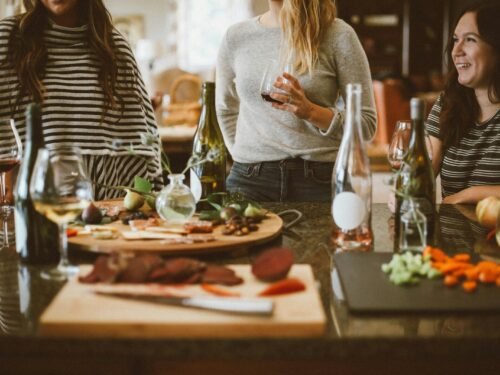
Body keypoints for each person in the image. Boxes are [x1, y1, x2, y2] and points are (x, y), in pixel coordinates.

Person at [216, 0, 376, 202]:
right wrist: (243, 155)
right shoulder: (235, 37)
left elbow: (367, 124)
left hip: (319, 180)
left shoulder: (338, 34)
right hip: (249, 180)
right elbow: (225, 109)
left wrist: (311, 112)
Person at [0, 0, 162, 200]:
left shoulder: (114, 46)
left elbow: (142, 141)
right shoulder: (8, 38)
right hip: (29, 200)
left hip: (107, 201)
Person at [426, 0, 500, 204]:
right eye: (455, 39)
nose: (455, 51)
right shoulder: (447, 103)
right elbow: (424, 170)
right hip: (453, 235)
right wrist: (406, 187)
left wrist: (468, 195)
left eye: (470, 40)